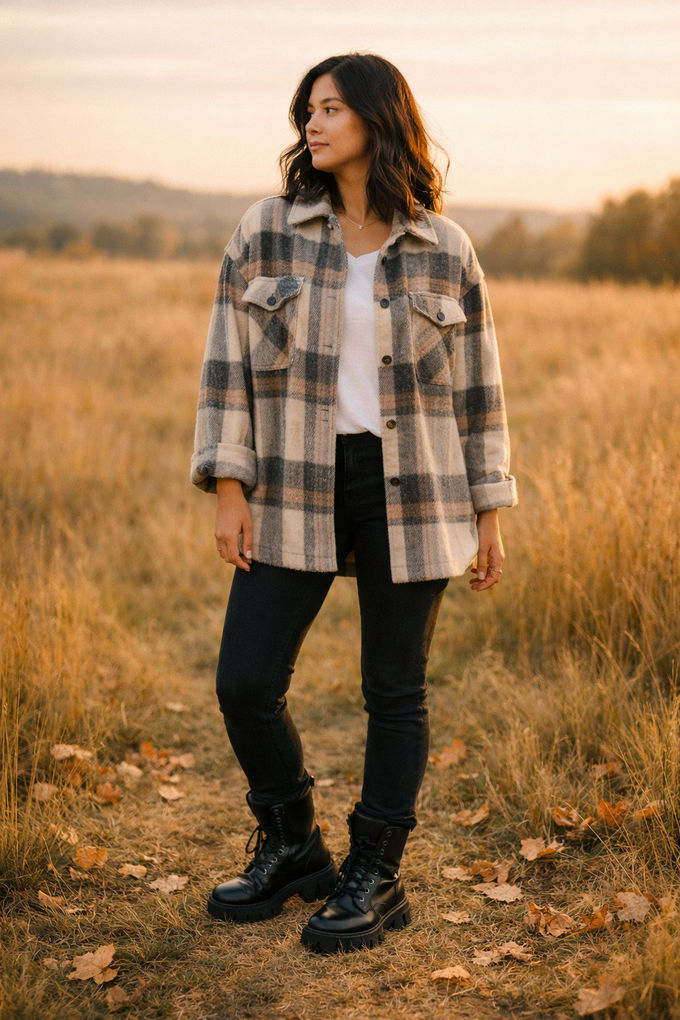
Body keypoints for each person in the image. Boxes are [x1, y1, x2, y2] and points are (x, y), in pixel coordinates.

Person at [191, 52, 517, 953]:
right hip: (296, 481)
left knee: (394, 689)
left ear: (379, 117)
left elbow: (479, 392)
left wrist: (488, 512)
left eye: (332, 107)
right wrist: (229, 487)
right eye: (307, 109)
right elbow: (225, 370)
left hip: (414, 489)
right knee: (245, 682)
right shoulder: (266, 232)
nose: (313, 123)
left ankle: (376, 873)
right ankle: (294, 844)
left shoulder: (444, 247)